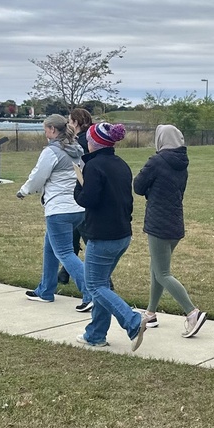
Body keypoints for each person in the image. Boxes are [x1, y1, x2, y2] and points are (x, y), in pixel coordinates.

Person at [73, 122, 146, 351]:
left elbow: (87, 199)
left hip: (102, 236)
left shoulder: (93, 167)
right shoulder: (121, 164)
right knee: (102, 284)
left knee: (94, 286)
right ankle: (95, 334)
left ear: (93, 142)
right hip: (122, 234)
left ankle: (133, 321)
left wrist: (78, 184)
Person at [133, 124, 207, 338]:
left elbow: (138, 186)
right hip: (175, 222)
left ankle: (192, 312)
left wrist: (149, 188)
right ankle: (151, 313)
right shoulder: (182, 163)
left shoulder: (156, 161)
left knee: (163, 273)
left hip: (158, 222)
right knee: (156, 268)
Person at [17, 114, 90, 311]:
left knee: (65, 252)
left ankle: (91, 293)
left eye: (45, 129)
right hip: (78, 208)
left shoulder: (51, 151)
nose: (44, 132)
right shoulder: (76, 148)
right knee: (50, 248)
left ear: (52, 130)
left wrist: (23, 191)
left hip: (60, 209)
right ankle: (46, 290)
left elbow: (38, 176)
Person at [58, 107, 95, 285]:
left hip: (80, 192)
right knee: (75, 233)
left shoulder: (79, 142)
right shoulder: (92, 138)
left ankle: (104, 279)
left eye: (70, 121)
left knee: (85, 235)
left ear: (76, 123)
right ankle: (65, 272)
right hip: (86, 192)